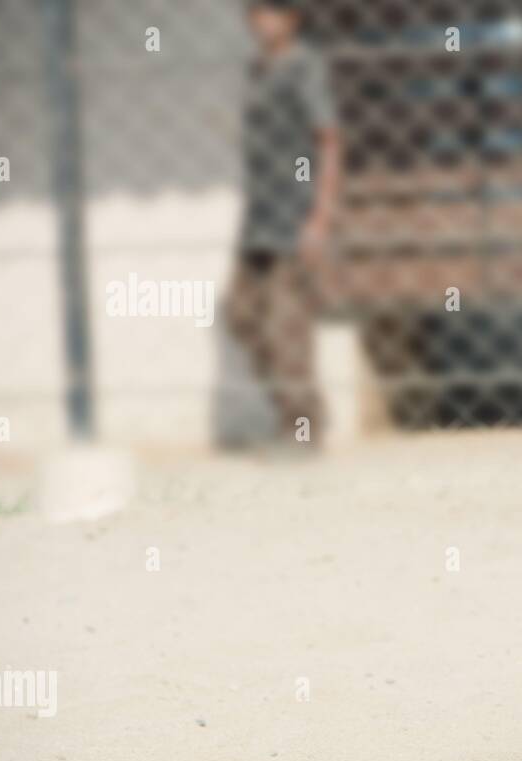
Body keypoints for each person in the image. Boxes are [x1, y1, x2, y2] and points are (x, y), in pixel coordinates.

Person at [225, 0, 341, 448]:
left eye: (272, 11)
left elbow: (329, 141)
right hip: (258, 217)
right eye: (255, 11)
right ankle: (294, 412)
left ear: (292, 18)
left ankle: (302, 429)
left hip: (295, 215)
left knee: (287, 327)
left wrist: (320, 217)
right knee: (242, 316)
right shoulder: (258, 69)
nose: (262, 20)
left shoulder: (304, 67)